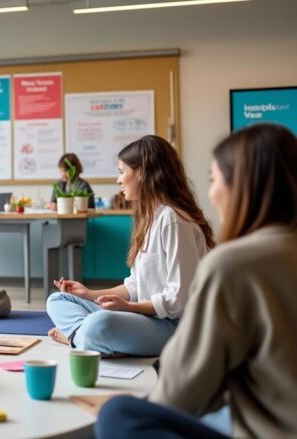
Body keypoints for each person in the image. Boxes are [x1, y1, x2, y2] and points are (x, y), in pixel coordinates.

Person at [96, 124, 297, 438]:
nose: (213, 194)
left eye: (214, 180)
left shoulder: (233, 264)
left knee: (117, 413)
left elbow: (180, 395)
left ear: (243, 186)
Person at [46, 135, 214, 356]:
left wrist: (128, 308)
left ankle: (78, 337)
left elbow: (178, 300)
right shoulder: (150, 217)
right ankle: (87, 338)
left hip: (174, 327)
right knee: (57, 300)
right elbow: (134, 286)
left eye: (121, 172)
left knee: (100, 324)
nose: (118, 180)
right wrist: (89, 293)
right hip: (145, 317)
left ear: (142, 172)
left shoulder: (173, 220)